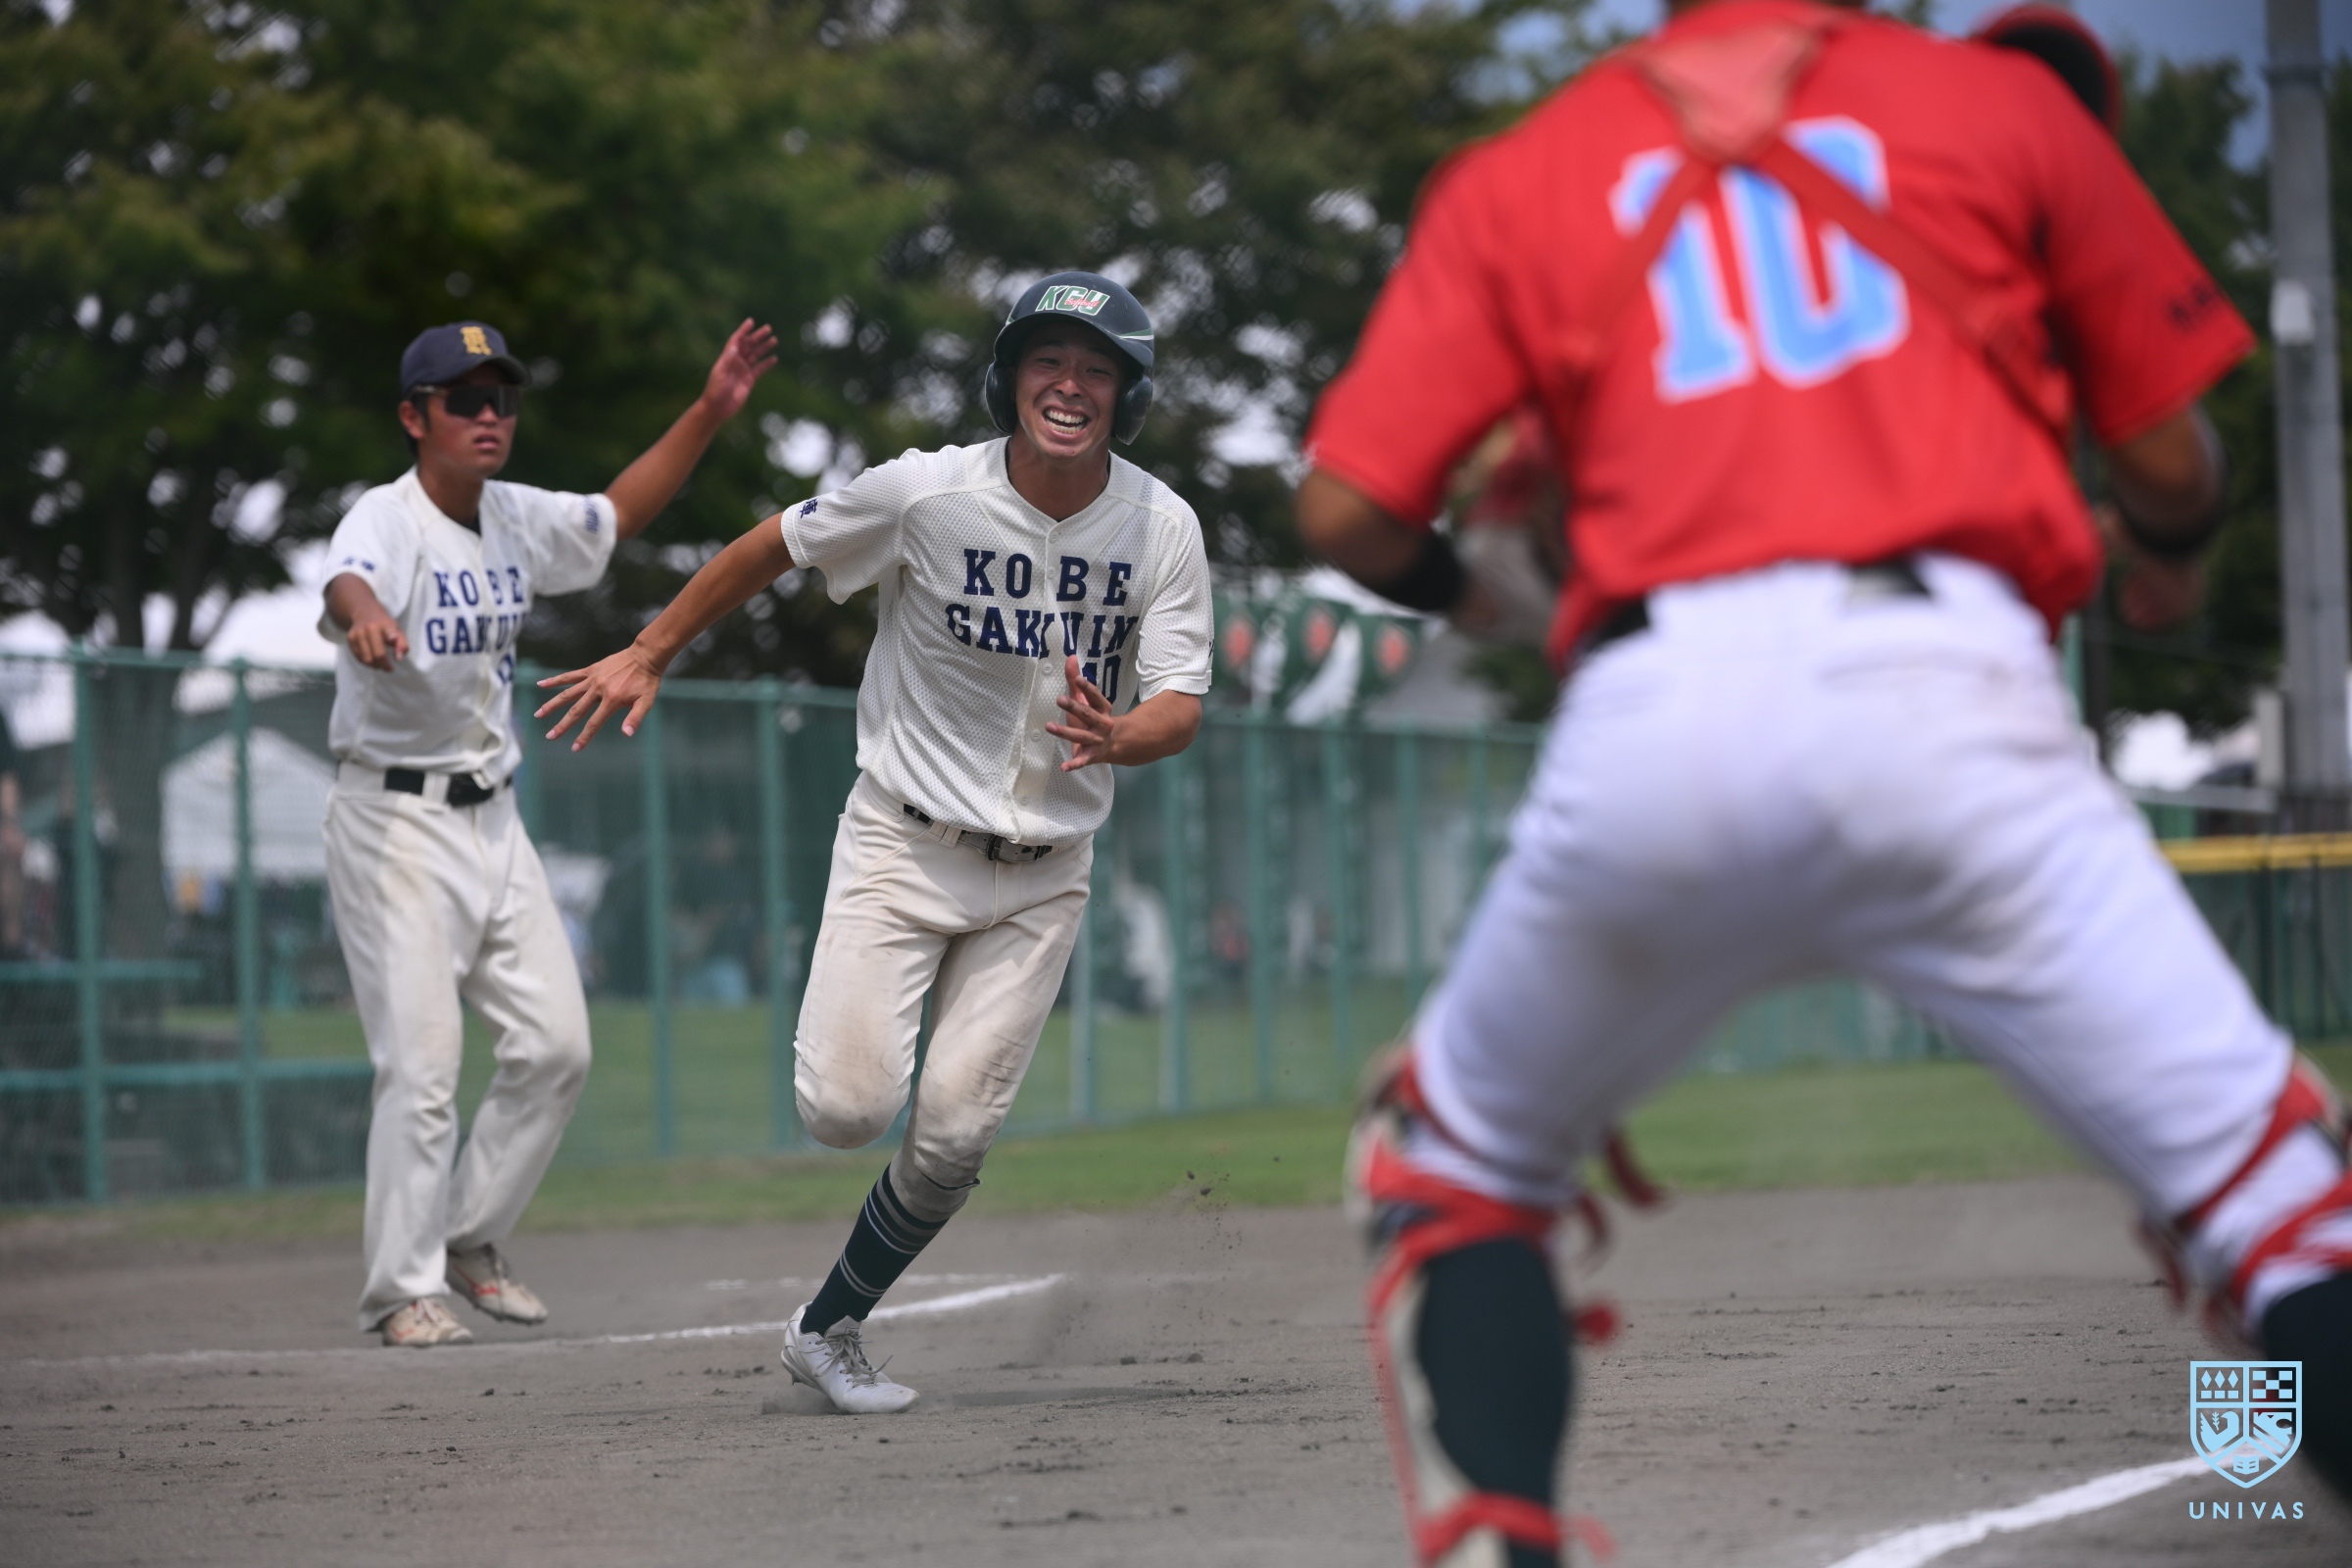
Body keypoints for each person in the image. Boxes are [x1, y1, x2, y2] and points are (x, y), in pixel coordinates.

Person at [1294, 2, 2350, 1561]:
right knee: (2279, 1203)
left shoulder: (1522, 170)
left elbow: (1345, 512)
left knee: (1453, 1164)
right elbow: (2173, 462)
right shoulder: (2001, 108)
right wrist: (2173, 564)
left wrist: (1479, 600)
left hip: (1658, 709)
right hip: (1951, 695)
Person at [537, 271, 1214, 1412]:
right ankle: (843, 1196)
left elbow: (1182, 702)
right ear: (1010, 379)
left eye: (1098, 370)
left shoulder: (1162, 526)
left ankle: (829, 1326)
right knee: (847, 1109)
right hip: (904, 841)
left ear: (1127, 397)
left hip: (1044, 872)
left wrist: (1124, 733)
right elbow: (772, 545)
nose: (1070, 385)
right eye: (1049, 361)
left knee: (951, 1138)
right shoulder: (925, 493)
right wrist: (651, 648)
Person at [322, 317, 777, 1347]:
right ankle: (400, 1292)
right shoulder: (387, 518)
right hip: (393, 822)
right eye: (463, 399)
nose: (489, 416)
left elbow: (617, 514)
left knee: (558, 1047)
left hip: (494, 818)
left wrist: (711, 410)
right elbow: (347, 581)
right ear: (414, 417)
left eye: (501, 398)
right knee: (423, 1068)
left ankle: (469, 1235)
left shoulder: (514, 516)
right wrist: (363, 617)